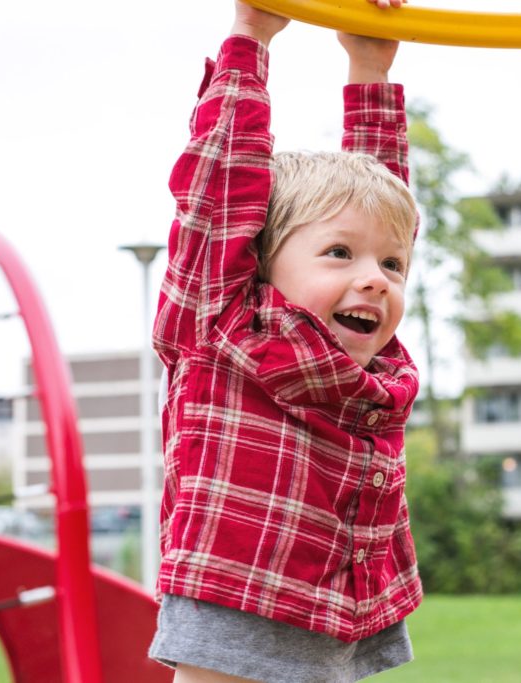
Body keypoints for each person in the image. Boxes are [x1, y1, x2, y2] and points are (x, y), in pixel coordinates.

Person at [148, 1, 421, 681]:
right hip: (238, 611)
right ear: (261, 259)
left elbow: (383, 208)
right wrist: (254, 36)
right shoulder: (223, 328)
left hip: (335, 619)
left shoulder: (371, 368)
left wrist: (369, 66)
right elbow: (219, 188)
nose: (376, 280)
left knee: (374, 220)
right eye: (338, 253)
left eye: (392, 266)